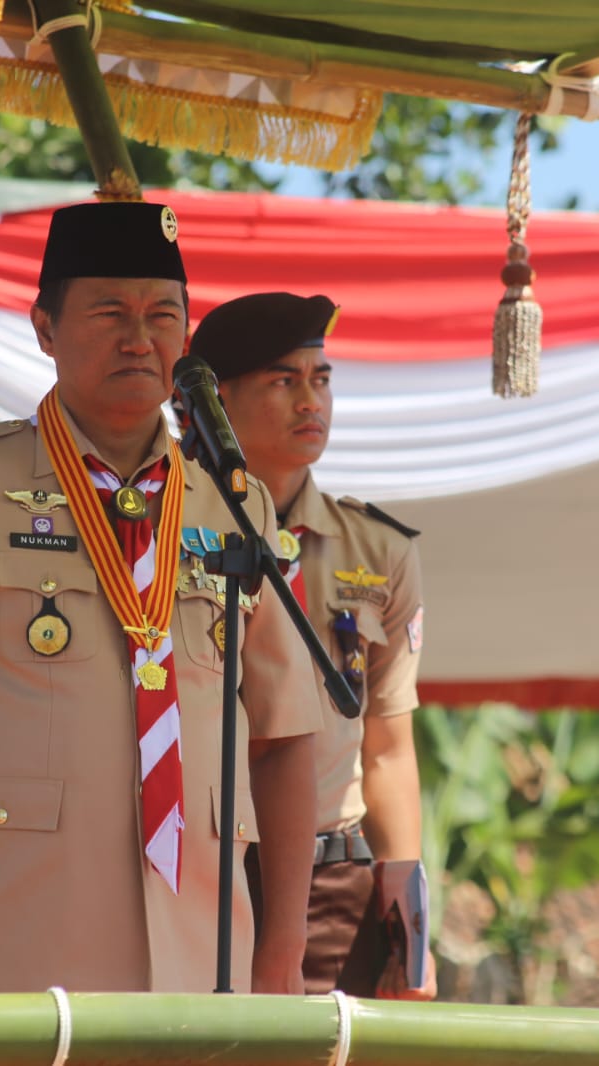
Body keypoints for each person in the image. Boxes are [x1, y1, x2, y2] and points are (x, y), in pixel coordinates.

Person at [0, 203, 321, 997]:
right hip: (17, 943)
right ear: (44, 327)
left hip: (203, 955)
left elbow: (284, 740)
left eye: (161, 314)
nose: (139, 338)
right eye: (109, 311)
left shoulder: (234, 506)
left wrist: (280, 952)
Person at [191, 292, 436, 999]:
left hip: (332, 887)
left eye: (320, 380)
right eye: (282, 380)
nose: (310, 401)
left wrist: (407, 920)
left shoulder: (376, 548)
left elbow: (387, 745)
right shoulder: (158, 527)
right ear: (217, 401)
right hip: (191, 866)